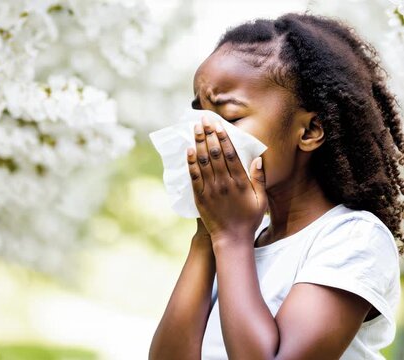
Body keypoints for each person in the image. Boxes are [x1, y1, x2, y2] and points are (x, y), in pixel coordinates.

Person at [149, 12, 403, 360]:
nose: (205, 133)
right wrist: (207, 234)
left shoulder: (352, 238)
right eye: (200, 115)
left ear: (310, 130)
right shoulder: (236, 237)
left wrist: (230, 237)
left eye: (231, 116)